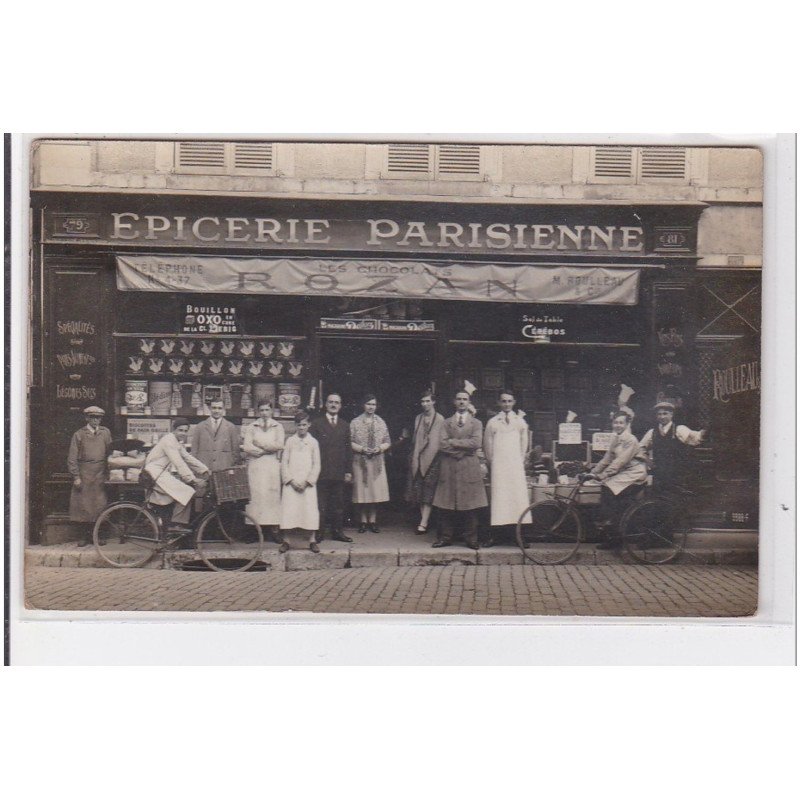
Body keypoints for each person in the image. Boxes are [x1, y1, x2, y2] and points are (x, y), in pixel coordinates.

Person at [581, 411, 648, 550]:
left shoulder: (631, 440)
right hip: (624, 474)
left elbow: (620, 461)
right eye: (615, 422)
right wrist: (592, 473)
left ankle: (613, 532)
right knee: (611, 498)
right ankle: (613, 531)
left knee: (608, 490)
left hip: (634, 473)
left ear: (627, 424)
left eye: (621, 422)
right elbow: (607, 459)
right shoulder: (615, 438)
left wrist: (603, 475)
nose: (617, 425)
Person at [432, 391, 488, 550]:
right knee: (446, 504)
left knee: (470, 504)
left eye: (465, 399)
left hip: (469, 467)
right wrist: (464, 449)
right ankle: (445, 538)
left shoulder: (476, 423)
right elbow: (442, 445)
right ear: (454, 402)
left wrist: (453, 442)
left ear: (469, 402)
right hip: (449, 467)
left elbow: (476, 443)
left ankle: (471, 539)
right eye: (459, 399)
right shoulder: (446, 422)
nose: (462, 402)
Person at [143, 418, 210, 530]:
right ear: (173, 430)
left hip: (160, 473)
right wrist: (192, 479)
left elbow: (187, 457)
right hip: (155, 473)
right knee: (187, 492)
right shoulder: (168, 441)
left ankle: (174, 524)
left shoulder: (176, 442)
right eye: (180, 430)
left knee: (182, 493)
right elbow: (178, 461)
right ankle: (175, 526)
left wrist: (205, 470)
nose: (183, 433)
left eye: (185, 431)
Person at [483, 390, 531, 544]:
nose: (506, 404)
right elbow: (487, 445)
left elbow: (524, 444)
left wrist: (520, 460)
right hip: (499, 467)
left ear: (514, 402)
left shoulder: (520, 422)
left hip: (515, 466)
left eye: (509, 401)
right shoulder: (493, 422)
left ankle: (519, 536)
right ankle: (496, 536)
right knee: (499, 499)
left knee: (517, 498)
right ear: (499, 403)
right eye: (503, 401)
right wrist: (493, 463)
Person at [638, 401, 706, 498]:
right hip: (659, 473)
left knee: (676, 497)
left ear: (671, 414)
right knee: (659, 498)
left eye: (665, 413)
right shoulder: (652, 432)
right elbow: (640, 448)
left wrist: (704, 432)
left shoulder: (679, 429)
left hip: (678, 473)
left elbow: (696, 438)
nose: (662, 417)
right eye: (659, 414)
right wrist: (648, 461)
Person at [309, 393, 353, 543]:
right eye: (331, 402)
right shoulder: (316, 424)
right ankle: (319, 533)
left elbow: (348, 450)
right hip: (322, 471)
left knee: (338, 505)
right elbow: (311, 449)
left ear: (340, 406)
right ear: (326, 405)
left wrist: (348, 471)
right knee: (321, 504)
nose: (334, 405)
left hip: (339, 471)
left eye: (337, 402)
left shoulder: (345, 425)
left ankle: (338, 532)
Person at [68, 406, 113, 546]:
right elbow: (72, 457)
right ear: (87, 418)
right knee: (83, 506)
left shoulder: (105, 433)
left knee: (100, 505)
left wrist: (110, 472)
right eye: (92, 417)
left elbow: (110, 453)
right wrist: (76, 476)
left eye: (98, 417)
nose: (96, 420)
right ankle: (84, 537)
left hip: (100, 473)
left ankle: (98, 536)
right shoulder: (79, 434)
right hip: (84, 473)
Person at [279, 411, 321, 553]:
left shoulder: (314, 442)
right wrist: (290, 480)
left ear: (309, 425)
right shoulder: (290, 441)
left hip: (307, 484)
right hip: (292, 483)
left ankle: (312, 540)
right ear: (295, 425)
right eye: (299, 425)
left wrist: (308, 481)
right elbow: (284, 462)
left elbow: (317, 464)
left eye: (304, 425)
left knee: (309, 511)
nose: (302, 428)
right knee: (289, 510)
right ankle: (286, 540)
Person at [242, 399, 285, 541]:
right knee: (255, 497)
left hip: (272, 465)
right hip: (256, 464)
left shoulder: (278, 426)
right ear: (258, 411)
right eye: (262, 410)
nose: (265, 413)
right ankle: (253, 530)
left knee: (271, 497)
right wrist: (260, 451)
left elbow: (279, 445)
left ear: (271, 411)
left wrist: (260, 444)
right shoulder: (252, 427)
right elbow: (247, 446)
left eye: (267, 410)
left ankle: (273, 529)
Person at [405, 390, 445, 534]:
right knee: (419, 491)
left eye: (428, 401)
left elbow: (440, 441)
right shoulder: (418, 418)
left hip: (433, 459)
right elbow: (416, 439)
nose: (425, 404)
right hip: (418, 458)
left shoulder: (440, 419)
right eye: (423, 401)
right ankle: (424, 521)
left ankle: (424, 523)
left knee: (429, 491)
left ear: (433, 402)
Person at [350, 394, 391, 533]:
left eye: (373, 404)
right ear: (363, 405)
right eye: (368, 404)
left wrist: (379, 448)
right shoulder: (355, 422)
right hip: (360, 461)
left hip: (376, 462)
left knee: (374, 492)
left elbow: (387, 441)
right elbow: (349, 442)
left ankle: (372, 521)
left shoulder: (381, 422)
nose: (371, 407)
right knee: (362, 492)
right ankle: (362, 521)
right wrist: (362, 449)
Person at [190, 399, 241, 473]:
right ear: (209, 408)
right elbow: (194, 450)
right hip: (204, 469)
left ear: (223, 409)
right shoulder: (200, 426)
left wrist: (230, 466)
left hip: (224, 469)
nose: (216, 411)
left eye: (219, 408)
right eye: (214, 408)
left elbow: (235, 451)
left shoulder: (231, 427)